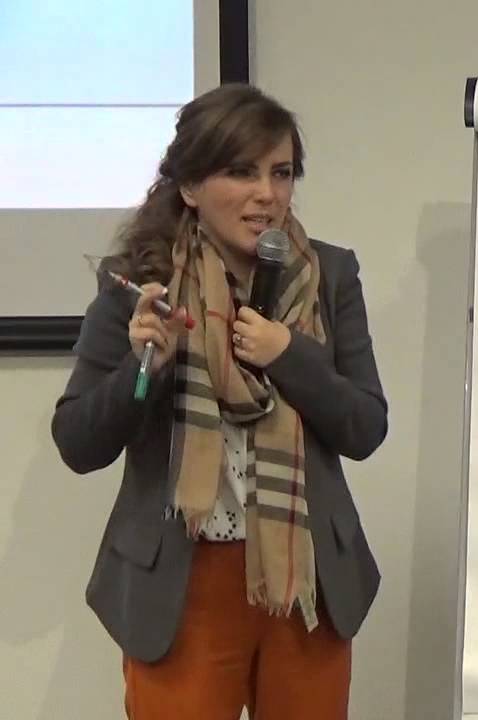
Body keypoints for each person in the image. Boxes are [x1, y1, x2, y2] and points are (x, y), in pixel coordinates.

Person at [50, 82, 387, 719]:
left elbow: (366, 426)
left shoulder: (330, 275)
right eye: (242, 172)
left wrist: (288, 355)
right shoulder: (138, 284)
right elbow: (78, 443)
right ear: (189, 186)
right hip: (183, 582)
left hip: (304, 578)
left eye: (281, 173)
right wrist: (143, 367)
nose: (268, 194)